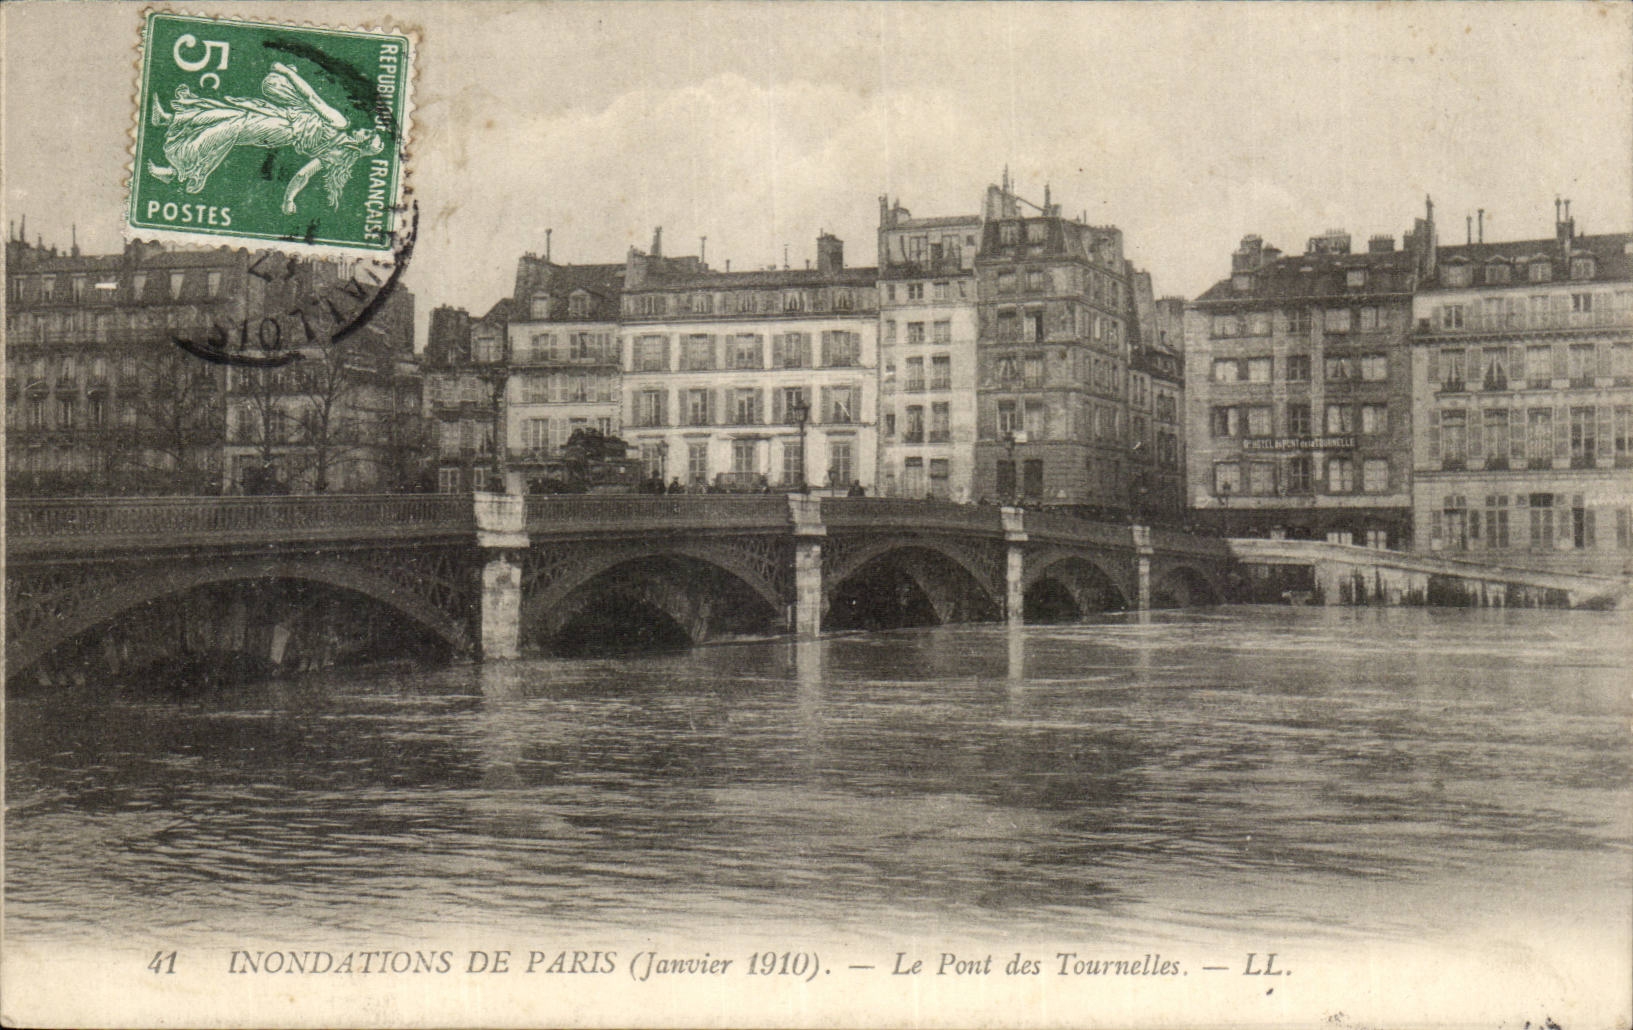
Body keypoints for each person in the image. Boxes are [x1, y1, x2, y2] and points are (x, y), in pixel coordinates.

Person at [147, 62, 384, 214]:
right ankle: (168, 118)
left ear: (361, 142)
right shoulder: (335, 156)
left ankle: (177, 171)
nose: (363, 130)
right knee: (231, 114)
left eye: (367, 134)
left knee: (229, 127)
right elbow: (303, 175)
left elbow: (312, 98)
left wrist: (287, 73)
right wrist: (288, 200)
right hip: (280, 121)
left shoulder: (340, 123)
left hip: (280, 128)